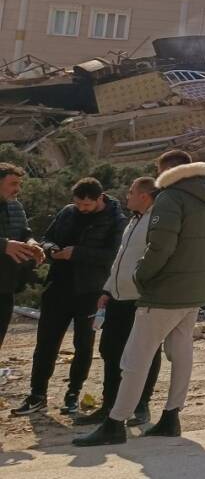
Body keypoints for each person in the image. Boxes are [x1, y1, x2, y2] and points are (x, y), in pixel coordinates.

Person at [74, 150, 205, 447]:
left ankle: (115, 423)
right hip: (194, 291)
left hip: (163, 292)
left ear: (169, 170)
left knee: (135, 357)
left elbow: (159, 247)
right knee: (181, 354)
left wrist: (140, 277)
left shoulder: (170, 198)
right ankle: (171, 417)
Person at [11, 178, 125, 417]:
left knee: (83, 345)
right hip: (58, 285)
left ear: (100, 198)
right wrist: (51, 249)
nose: (82, 209)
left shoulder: (116, 219)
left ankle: (73, 394)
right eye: (78, 204)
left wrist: (78, 253)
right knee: (46, 343)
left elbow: (114, 255)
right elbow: (47, 237)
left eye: (87, 205)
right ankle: (37, 394)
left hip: (91, 290)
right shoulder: (67, 212)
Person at [74, 177, 163, 428]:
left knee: (145, 352)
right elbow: (120, 260)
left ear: (144, 196)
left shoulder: (155, 221)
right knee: (110, 351)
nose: (127, 196)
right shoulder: (133, 220)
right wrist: (107, 290)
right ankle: (110, 405)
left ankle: (141, 405)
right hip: (118, 296)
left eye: (131, 192)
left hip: (140, 298)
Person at [1, 163, 42, 349]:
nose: (18, 189)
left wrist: (32, 244)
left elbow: (24, 232)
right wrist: (4, 245)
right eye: (13, 184)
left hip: (6, 285)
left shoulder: (16, 206)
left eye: (19, 184)